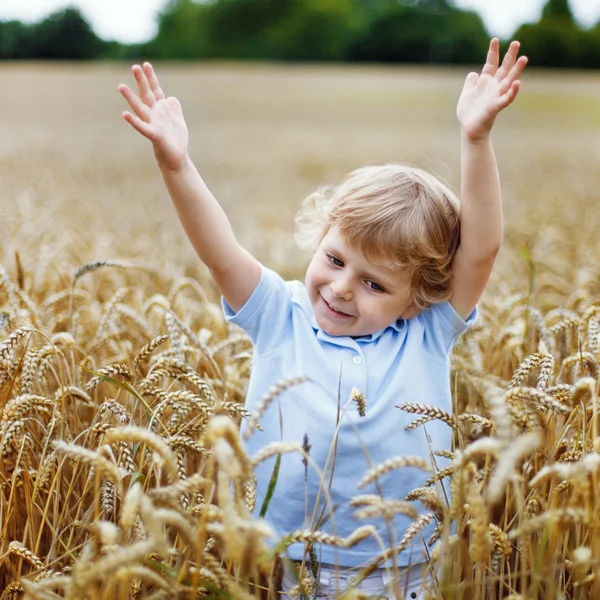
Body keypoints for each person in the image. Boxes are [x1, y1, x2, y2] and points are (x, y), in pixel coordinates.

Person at [118, 38, 527, 599]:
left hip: (406, 566)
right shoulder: (278, 314)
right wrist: (177, 163)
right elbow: (219, 251)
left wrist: (475, 139)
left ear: (420, 295)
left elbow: (480, 250)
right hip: (291, 564)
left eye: (374, 283)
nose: (339, 288)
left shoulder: (427, 332)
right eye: (334, 259)